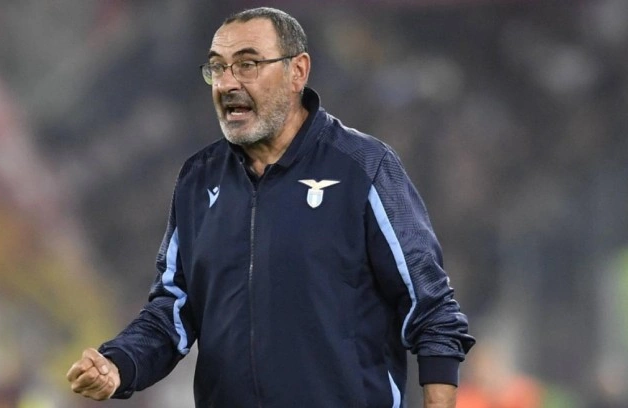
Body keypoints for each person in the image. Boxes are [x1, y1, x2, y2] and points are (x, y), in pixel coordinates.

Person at [66, 7, 475, 408]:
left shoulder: (364, 167)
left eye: (247, 65)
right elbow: (171, 311)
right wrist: (118, 364)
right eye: (217, 67)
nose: (227, 83)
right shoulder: (198, 179)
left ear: (298, 71)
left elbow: (432, 309)